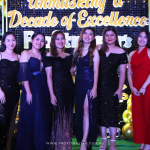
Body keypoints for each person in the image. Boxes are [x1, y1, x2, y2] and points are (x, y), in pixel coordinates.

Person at [15, 32, 52, 150]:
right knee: (32, 115)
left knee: (43, 115)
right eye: (37, 39)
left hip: (43, 87)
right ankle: (31, 145)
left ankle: (41, 144)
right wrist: (28, 92)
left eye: (42, 40)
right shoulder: (25, 53)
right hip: (31, 86)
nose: (39, 42)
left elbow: (49, 74)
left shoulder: (45, 55)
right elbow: (24, 74)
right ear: (32, 40)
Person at [97, 26, 127, 150]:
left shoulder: (121, 52)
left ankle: (113, 143)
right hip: (97, 86)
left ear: (116, 36)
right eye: (107, 35)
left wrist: (120, 89)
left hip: (112, 87)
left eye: (112, 35)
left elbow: (123, 73)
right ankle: (104, 141)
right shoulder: (98, 48)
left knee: (112, 114)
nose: (109, 37)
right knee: (101, 115)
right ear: (104, 37)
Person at [44, 30, 75, 150]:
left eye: (62, 38)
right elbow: (49, 76)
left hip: (69, 89)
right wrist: (52, 94)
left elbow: (72, 72)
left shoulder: (69, 56)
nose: (60, 41)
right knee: (58, 117)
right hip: (57, 90)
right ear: (53, 41)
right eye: (57, 39)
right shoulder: (49, 56)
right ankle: (57, 146)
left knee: (67, 117)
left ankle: (66, 145)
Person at [72, 27, 100, 150]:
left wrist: (94, 88)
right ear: (82, 35)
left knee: (87, 110)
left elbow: (96, 70)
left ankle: (85, 141)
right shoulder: (76, 50)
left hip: (90, 83)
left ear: (93, 37)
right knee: (80, 112)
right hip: (78, 84)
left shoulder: (94, 50)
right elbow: (74, 69)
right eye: (85, 33)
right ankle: (83, 139)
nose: (87, 36)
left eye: (90, 34)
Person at [128, 30, 150, 150]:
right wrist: (131, 86)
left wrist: (144, 86)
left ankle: (149, 144)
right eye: (140, 36)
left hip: (147, 87)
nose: (142, 39)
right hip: (136, 88)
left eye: (145, 37)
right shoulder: (132, 54)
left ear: (148, 40)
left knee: (148, 115)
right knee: (139, 116)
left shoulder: (149, 52)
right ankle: (143, 142)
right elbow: (129, 72)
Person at [0, 31, 20, 150]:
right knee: (2, 118)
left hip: (14, 91)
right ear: (4, 42)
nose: (11, 43)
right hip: (2, 91)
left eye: (13, 40)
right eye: (8, 40)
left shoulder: (18, 56)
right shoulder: (0, 55)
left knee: (12, 118)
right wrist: (0, 91)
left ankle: (7, 145)